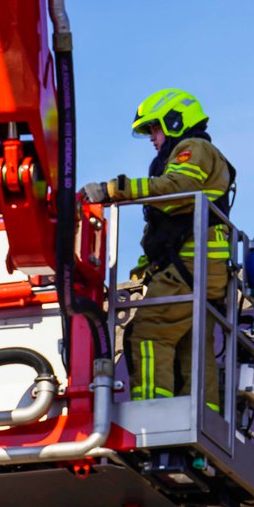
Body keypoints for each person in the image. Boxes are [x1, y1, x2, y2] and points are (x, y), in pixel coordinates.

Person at [82, 89, 235, 410]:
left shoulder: (193, 148)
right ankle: (200, 418)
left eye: (155, 128)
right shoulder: (195, 151)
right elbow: (168, 226)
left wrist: (115, 190)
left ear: (176, 120)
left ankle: (151, 413)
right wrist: (147, 266)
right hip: (196, 268)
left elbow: (178, 189)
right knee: (191, 348)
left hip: (190, 266)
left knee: (148, 334)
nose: (153, 137)